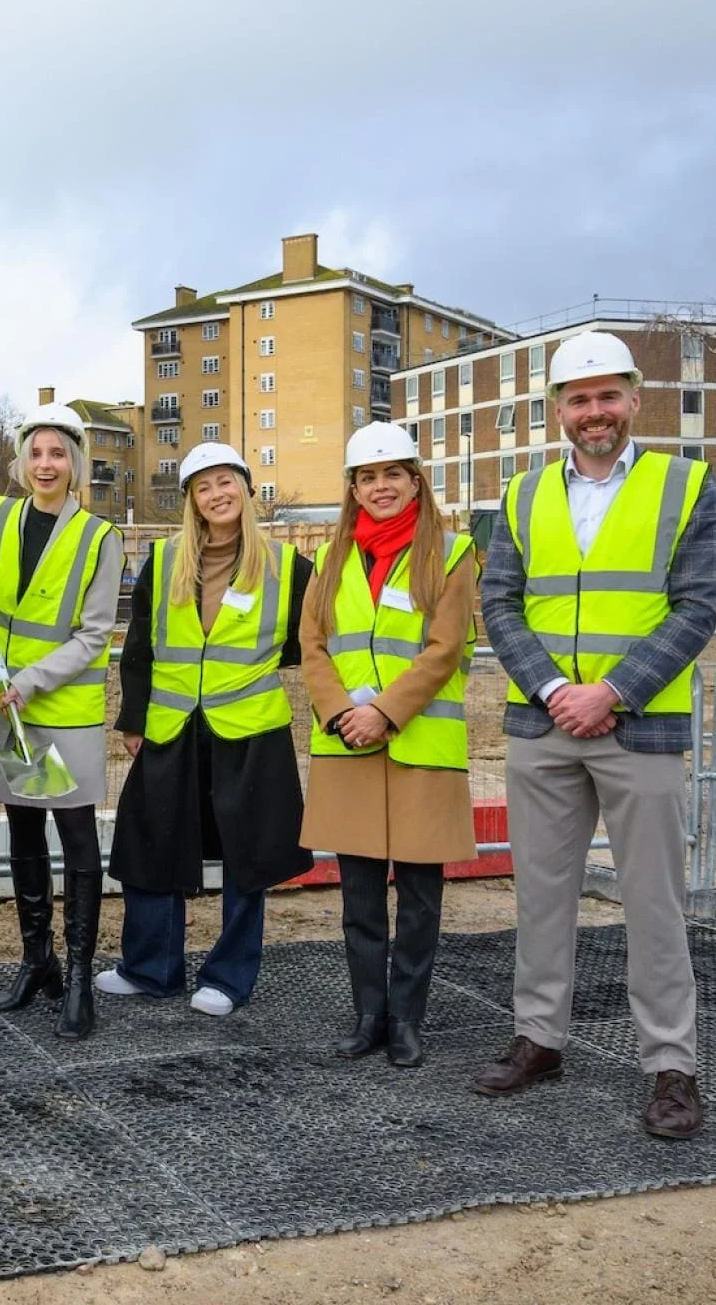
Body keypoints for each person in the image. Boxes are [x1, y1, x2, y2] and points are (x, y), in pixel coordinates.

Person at [474, 330, 716, 1140]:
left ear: (634, 400)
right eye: (579, 399)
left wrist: (613, 692)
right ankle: (539, 1038)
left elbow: (697, 606)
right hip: (542, 722)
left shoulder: (686, 485)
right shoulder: (520, 495)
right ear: (557, 410)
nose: (595, 412)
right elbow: (499, 603)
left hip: (639, 726)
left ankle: (671, 1065)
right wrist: (555, 691)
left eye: (608, 395)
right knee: (541, 894)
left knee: (654, 901)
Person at [104, 443, 313, 1016]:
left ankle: (228, 978)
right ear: (191, 500)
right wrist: (133, 718)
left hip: (249, 732)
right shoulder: (165, 560)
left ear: (245, 488)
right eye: (204, 487)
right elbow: (139, 645)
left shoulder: (289, 566)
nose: (217, 495)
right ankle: (151, 968)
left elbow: (307, 643)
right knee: (153, 845)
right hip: (171, 727)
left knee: (248, 855)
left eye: (226, 483)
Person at [301, 421, 479, 1071]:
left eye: (393, 475)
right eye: (368, 477)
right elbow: (313, 646)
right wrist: (341, 712)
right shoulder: (329, 561)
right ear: (353, 489)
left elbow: (444, 649)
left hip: (420, 746)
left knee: (420, 901)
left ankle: (406, 1019)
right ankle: (368, 1016)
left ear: (415, 482)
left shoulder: (452, 555)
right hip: (347, 743)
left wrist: (383, 712)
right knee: (360, 899)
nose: (381, 487)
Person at [0, 403, 123, 1040]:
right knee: (24, 833)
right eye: (35, 453)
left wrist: (28, 681)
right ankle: (39, 962)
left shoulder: (98, 537)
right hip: (9, 708)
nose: (45, 464)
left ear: (75, 463)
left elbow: (94, 635)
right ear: (21, 461)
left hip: (60, 710)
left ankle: (80, 975)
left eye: (58, 453)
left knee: (78, 842)